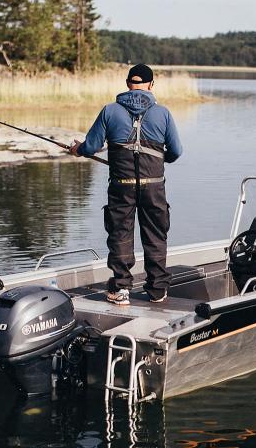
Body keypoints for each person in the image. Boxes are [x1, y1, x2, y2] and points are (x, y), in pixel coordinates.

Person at [73, 64, 183, 305]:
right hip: (154, 186)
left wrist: (77, 149)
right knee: (155, 235)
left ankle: (121, 289)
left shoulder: (110, 111)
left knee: (120, 233)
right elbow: (176, 151)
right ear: (151, 85)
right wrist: (160, 158)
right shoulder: (162, 113)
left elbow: (90, 147)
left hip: (121, 185)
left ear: (127, 83)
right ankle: (157, 291)